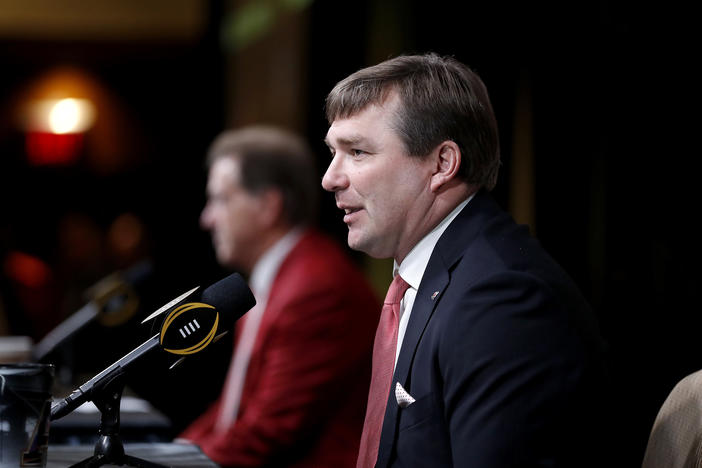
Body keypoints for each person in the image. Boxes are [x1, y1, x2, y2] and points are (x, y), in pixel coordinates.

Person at [321, 53, 608, 468]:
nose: (331, 177)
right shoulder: (436, 273)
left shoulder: (500, 300)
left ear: (442, 164)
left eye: (358, 152)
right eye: (333, 151)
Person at [177, 125, 380, 467]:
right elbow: (236, 409)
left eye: (221, 200)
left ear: (268, 206)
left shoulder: (315, 289)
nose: (207, 218)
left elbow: (267, 432)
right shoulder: (278, 277)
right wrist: (167, 453)